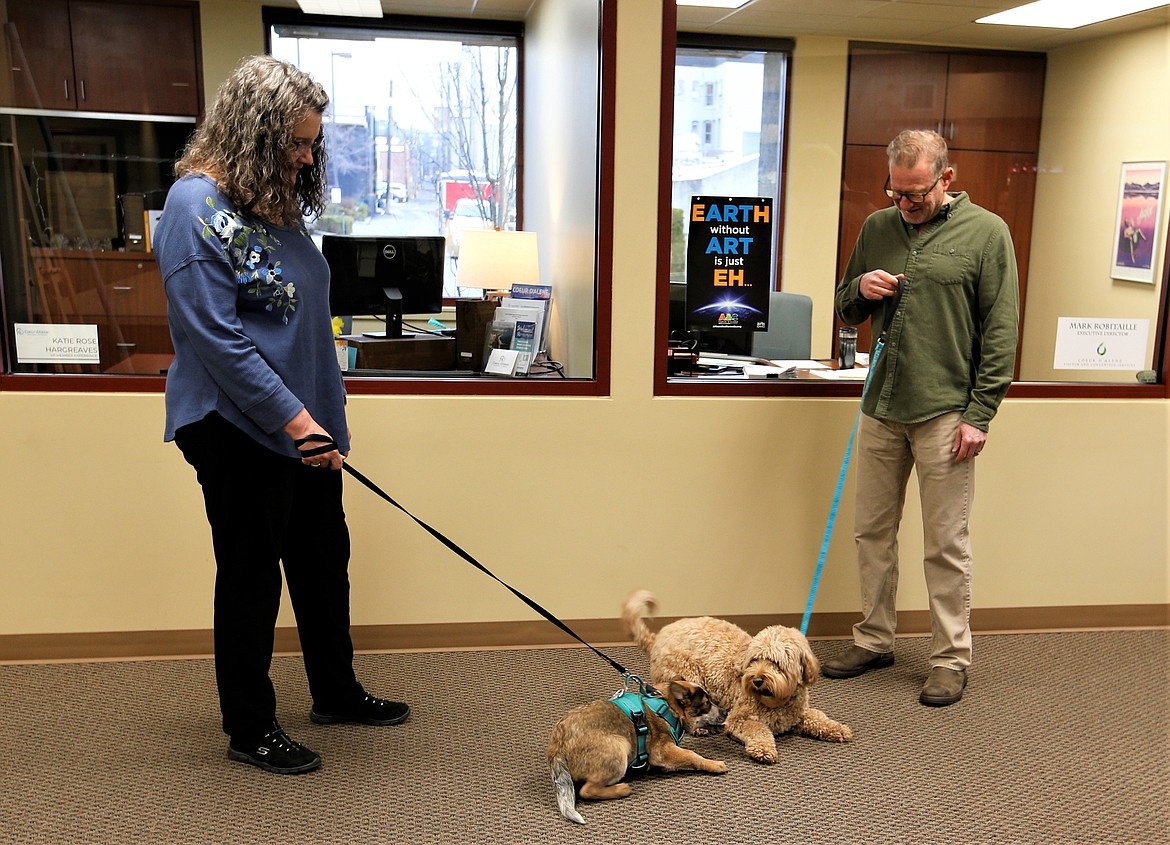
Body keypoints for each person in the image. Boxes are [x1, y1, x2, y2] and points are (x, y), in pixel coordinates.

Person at [154, 55, 409, 774]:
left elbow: (301, 328)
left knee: (324, 561)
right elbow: (217, 339)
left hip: (302, 426)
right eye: (294, 142)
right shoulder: (194, 208)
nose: (306, 155)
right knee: (250, 574)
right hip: (235, 426)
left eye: (311, 142)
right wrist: (297, 423)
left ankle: (335, 689)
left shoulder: (273, 205)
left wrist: (326, 421)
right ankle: (249, 726)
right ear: (253, 133)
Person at [828, 129, 1019, 707]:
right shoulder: (878, 228)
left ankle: (949, 658)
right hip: (882, 405)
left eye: (916, 193)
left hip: (946, 411)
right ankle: (875, 638)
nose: (905, 204)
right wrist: (860, 287)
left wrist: (980, 414)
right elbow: (845, 305)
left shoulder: (987, 234)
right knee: (871, 534)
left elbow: (1001, 331)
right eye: (897, 193)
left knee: (945, 542)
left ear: (946, 178)